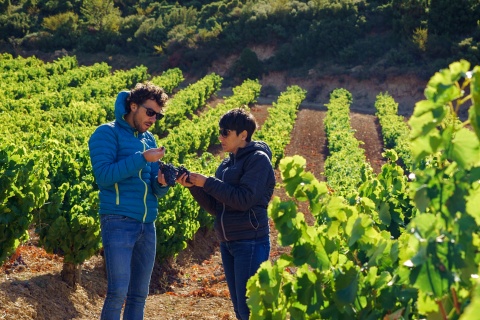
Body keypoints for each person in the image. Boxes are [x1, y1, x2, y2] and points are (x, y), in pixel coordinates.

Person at [177, 108, 276, 320]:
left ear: (243, 135)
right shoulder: (227, 163)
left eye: (225, 132)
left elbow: (243, 200)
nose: (220, 137)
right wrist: (194, 186)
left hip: (250, 241)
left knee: (249, 310)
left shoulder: (258, 160)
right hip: (229, 241)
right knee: (240, 310)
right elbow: (216, 207)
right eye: (220, 132)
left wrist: (208, 182)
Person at [88, 82, 170, 320]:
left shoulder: (149, 140)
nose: (153, 119)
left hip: (147, 224)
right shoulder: (106, 132)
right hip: (118, 220)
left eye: (158, 115)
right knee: (117, 292)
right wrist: (142, 158)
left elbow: (154, 187)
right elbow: (103, 176)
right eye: (150, 112)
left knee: (139, 295)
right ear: (133, 106)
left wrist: (162, 183)